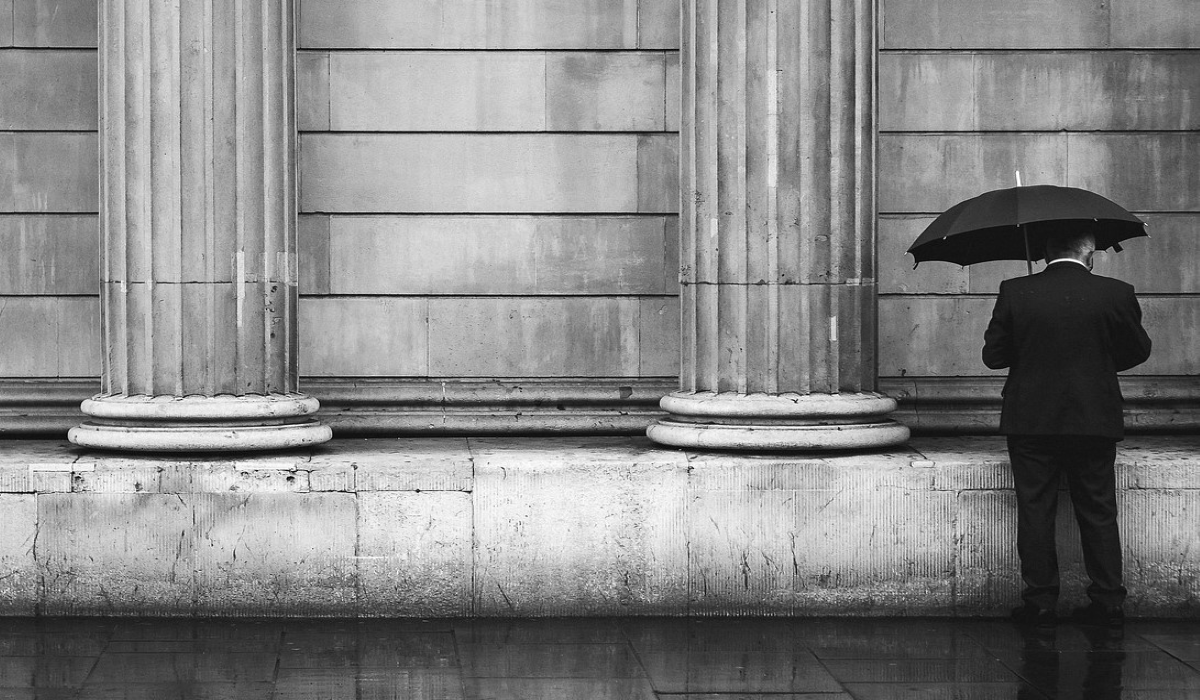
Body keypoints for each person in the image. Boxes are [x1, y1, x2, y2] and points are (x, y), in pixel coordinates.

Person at [982, 228, 1152, 629]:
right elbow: (1138, 350)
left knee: (1036, 509)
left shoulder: (1015, 290)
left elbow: (994, 356)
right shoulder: (1117, 292)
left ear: (1045, 252)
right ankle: (1108, 600)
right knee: (1098, 510)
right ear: (1089, 253)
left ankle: (1040, 601)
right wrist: (1097, 363)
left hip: (1031, 420)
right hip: (1094, 417)